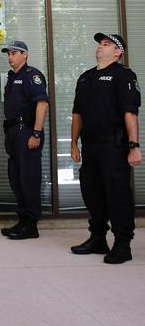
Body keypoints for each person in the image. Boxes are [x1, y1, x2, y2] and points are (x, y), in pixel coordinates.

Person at [70, 33, 141, 264]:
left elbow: (130, 113)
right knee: (93, 194)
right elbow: (77, 114)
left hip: (114, 146)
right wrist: (74, 143)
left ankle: (122, 244)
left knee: (117, 196)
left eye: (106, 44)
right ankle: (98, 238)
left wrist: (134, 146)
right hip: (90, 147)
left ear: (118, 52)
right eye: (100, 44)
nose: (100, 47)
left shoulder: (124, 76)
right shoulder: (85, 78)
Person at [0, 41, 49, 240]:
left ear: (25, 55)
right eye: (8, 53)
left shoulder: (32, 76)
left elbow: (42, 104)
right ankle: (23, 220)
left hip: (26, 131)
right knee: (16, 178)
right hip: (13, 133)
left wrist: (36, 133)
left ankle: (31, 224)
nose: (10, 56)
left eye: (13, 53)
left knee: (28, 178)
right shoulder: (13, 77)